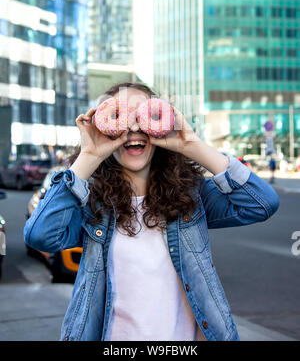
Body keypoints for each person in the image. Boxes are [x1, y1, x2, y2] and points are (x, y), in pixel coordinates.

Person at [24, 82, 280, 342]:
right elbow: (41, 236)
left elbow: (262, 203)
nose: (134, 126)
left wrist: (191, 145)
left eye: (143, 115)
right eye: (120, 116)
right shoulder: (91, 204)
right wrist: (90, 155)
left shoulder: (192, 196)